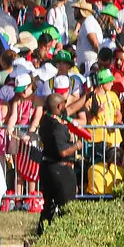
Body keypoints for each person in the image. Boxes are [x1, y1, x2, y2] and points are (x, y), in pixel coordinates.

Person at [35, 91, 83, 228]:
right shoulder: (57, 127)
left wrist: (87, 95)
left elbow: (71, 109)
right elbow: (63, 151)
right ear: (59, 106)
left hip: (47, 167)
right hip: (60, 171)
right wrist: (76, 146)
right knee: (66, 207)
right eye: (64, 104)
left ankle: (42, 231)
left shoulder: (45, 120)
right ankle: (64, 232)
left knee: (49, 206)